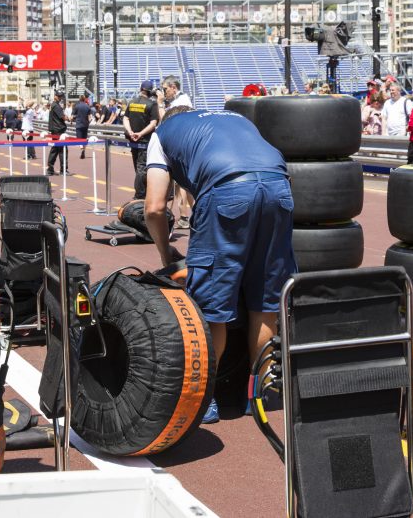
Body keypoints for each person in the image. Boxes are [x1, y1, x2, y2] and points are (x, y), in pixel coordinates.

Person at [143, 106, 297, 425]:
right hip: (279, 188)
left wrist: (165, 253)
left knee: (213, 307)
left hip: (229, 190)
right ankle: (260, 396)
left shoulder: (162, 135)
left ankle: (205, 399)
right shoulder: (235, 119)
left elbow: (155, 207)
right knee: (264, 302)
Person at [159, 76, 195, 228]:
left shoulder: (181, 102)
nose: (164, 92)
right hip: (180, 144)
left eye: (165, 89)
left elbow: (165, 121)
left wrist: (160, 104)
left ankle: (197, 215)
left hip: (182, 145)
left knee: (185, 183)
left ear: (173, 87)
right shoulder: (178, 101)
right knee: (181, 185)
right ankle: (185, 217)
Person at [123, 81, 160, 199]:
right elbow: (153, 123)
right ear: (150, 91)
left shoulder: (132, 102)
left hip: (132, 140)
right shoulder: (152, 104)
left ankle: (142, 192)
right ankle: (140, 195)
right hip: (144, 141)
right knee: (142, 168)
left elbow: (125, 118)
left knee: (137, 166)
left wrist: (130, 132)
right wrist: (140, 134)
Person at [46, 90, 68, 176]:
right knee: (62, 150)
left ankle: (50, 169)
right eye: (58, 96)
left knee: (54, 150)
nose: (60, 98)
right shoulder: (56, 106)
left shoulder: (53, 105)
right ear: (55, 96)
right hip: (59, 130)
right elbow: (62, 117)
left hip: (55, 130)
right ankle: (63, 170)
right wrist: (69, 118)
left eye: (60, 96)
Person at [72, 94, 93, 160]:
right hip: (85, 124)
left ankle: (81, 149)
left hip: (79, 124)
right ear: (84, 99)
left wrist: (71, 120)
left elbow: (73, 115)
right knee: (84, 138)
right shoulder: (87, 106)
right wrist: (88, 122)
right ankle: (84, 150)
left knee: (79, 139)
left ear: (79, 99)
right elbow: (90, 117)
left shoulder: (76, 106)